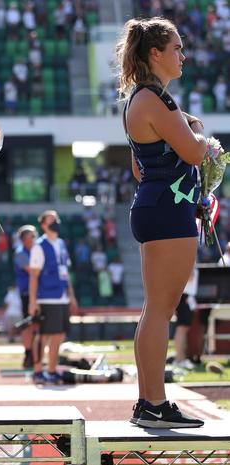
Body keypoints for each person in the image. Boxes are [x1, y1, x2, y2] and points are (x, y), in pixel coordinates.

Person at [116, 18, 205, 428]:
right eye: (176, 48)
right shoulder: (154, 100)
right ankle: (153, 402)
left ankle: (148, 401)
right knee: (160, 311)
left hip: (157, 205)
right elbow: (193, 152)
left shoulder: (145, 99)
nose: (182, 56)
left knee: (155, 309)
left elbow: (140, 168)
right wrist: (203, 136)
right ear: (155, 53)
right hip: (168, 210)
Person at [28, 210, 78, 385]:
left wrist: (71, 296)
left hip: (62, 296)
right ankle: (37, 371)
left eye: (56, 219)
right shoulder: (39, 246)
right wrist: (33, 301)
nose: (55, 222)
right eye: (51, 220)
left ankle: (51, 370)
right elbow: (34, 276)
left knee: (59, 335)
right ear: (43, 225)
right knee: (43, 335)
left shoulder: (62, 244)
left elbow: (65, 272)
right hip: (47, 297)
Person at [13, 225, 38, 367]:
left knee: (36, 324)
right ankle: (28, 353)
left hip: (38, 293)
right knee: (28, 324)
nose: (35, 238)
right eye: (32, 236)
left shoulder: (36, 250)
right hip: (27, 293)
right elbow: (33, 271)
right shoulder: (20, 253)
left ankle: (35, 354)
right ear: (24, 239)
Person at [172, 266, 198, 370]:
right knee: (181, 329)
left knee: (183, 329)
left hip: (186, 297)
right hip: (185, 296)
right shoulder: (186, 257)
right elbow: (189, 277)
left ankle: (181, 358)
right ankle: (179, 359)